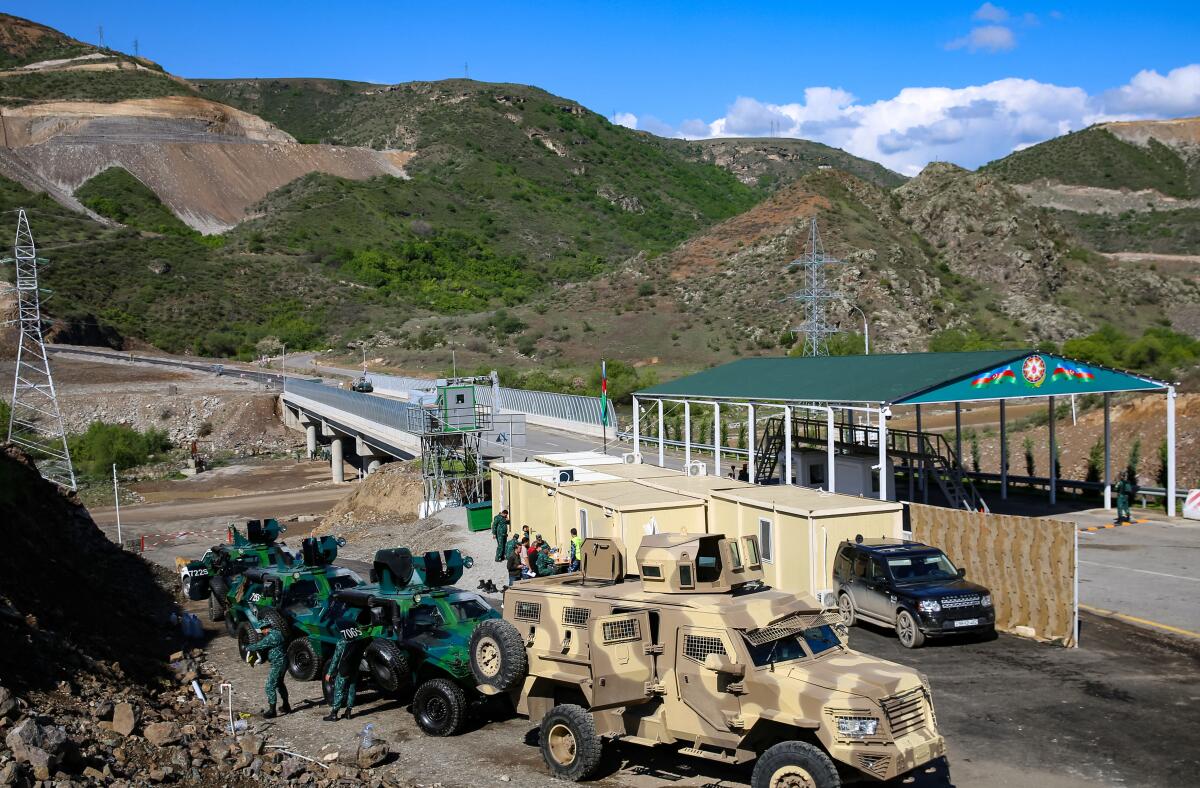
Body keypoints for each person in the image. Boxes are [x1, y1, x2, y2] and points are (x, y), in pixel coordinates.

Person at [324, 610, 373, 721]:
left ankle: (334, 714)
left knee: (339, 689)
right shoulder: (359, 639)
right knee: (352, 688)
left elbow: (335, 660)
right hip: (354, 667)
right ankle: (348, 712)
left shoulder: (342, 643)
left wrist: (329, 673)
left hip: (344, 669)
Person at [246, 615, 290, 718]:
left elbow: (259, 645)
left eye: (262, 630)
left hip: (278, 664)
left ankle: (272, 711)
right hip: (283, 662)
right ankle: (286, 706)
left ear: (266, 628)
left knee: (270, 686)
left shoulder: (271, 637)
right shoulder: (278, 632)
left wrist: (247, 647)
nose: (262, 632)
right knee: (279, 684)